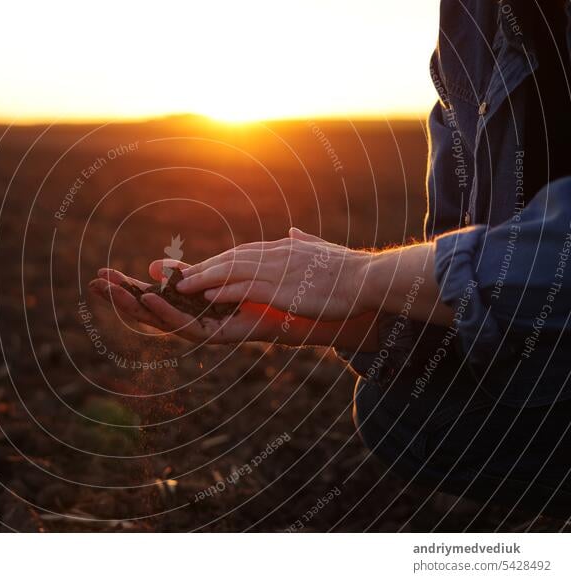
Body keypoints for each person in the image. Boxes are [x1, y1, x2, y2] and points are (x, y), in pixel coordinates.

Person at [89, 0, 571, 518]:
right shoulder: (472, 21)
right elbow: (461, 301)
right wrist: (321, 320)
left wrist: (360, 276)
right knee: (409, 413)